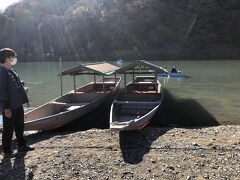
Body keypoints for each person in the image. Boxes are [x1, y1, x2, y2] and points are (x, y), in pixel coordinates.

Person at [0, 48, 34, 157]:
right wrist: (6, 108)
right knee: (8, 129)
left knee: (20, 125)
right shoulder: (2, 73)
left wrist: (26, 101)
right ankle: (7, 150)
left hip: (18, 104)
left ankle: (22, 145)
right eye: (13, 57)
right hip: (9, 106)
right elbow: (2, 92)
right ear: (6, 58)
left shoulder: (13, 71)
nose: (15, 59)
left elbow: (20, 87)